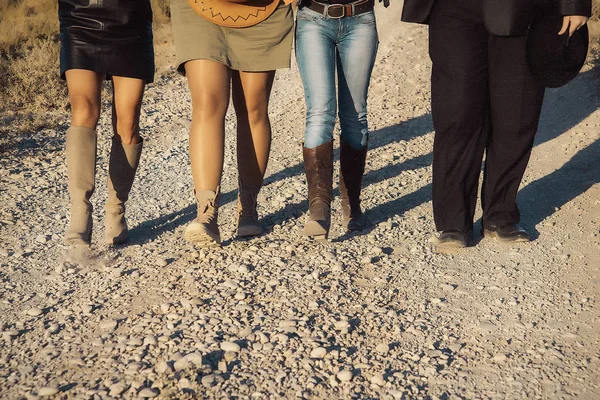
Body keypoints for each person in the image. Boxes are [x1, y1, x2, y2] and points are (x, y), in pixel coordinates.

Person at [401, 0, 591, 248]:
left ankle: (500, 215)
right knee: (457, 113)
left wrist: (575, 3)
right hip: (452, 9)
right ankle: (453, 221)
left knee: (516, 114)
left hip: (526, 10)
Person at [171, 0, 294, 247]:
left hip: (262, 9)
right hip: (198, 9)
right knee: (208, 103)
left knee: (253, 109)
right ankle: (206, 211)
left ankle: (248, 206)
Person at [59, 0, 155, 246]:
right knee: (83, 109)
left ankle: (116, 209)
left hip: (131, 20)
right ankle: (80, 212)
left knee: (128, 120)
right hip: (79, 15)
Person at [296, 0, 380, 240]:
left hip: (360, 17)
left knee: (355, 115)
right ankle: (319, 207)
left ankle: (352, 203)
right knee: (320, 112)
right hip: (313, 18)